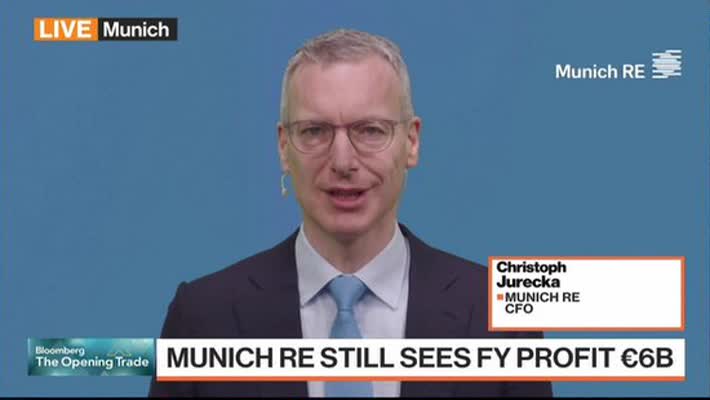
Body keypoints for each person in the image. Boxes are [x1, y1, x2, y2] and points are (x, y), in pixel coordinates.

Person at [149, 29, 552, 398]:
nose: (342, 161)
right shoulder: (202, 316)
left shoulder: (500, 320)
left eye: (370, 130)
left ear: (411, 142)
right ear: (283, 148)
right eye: (314, 131)